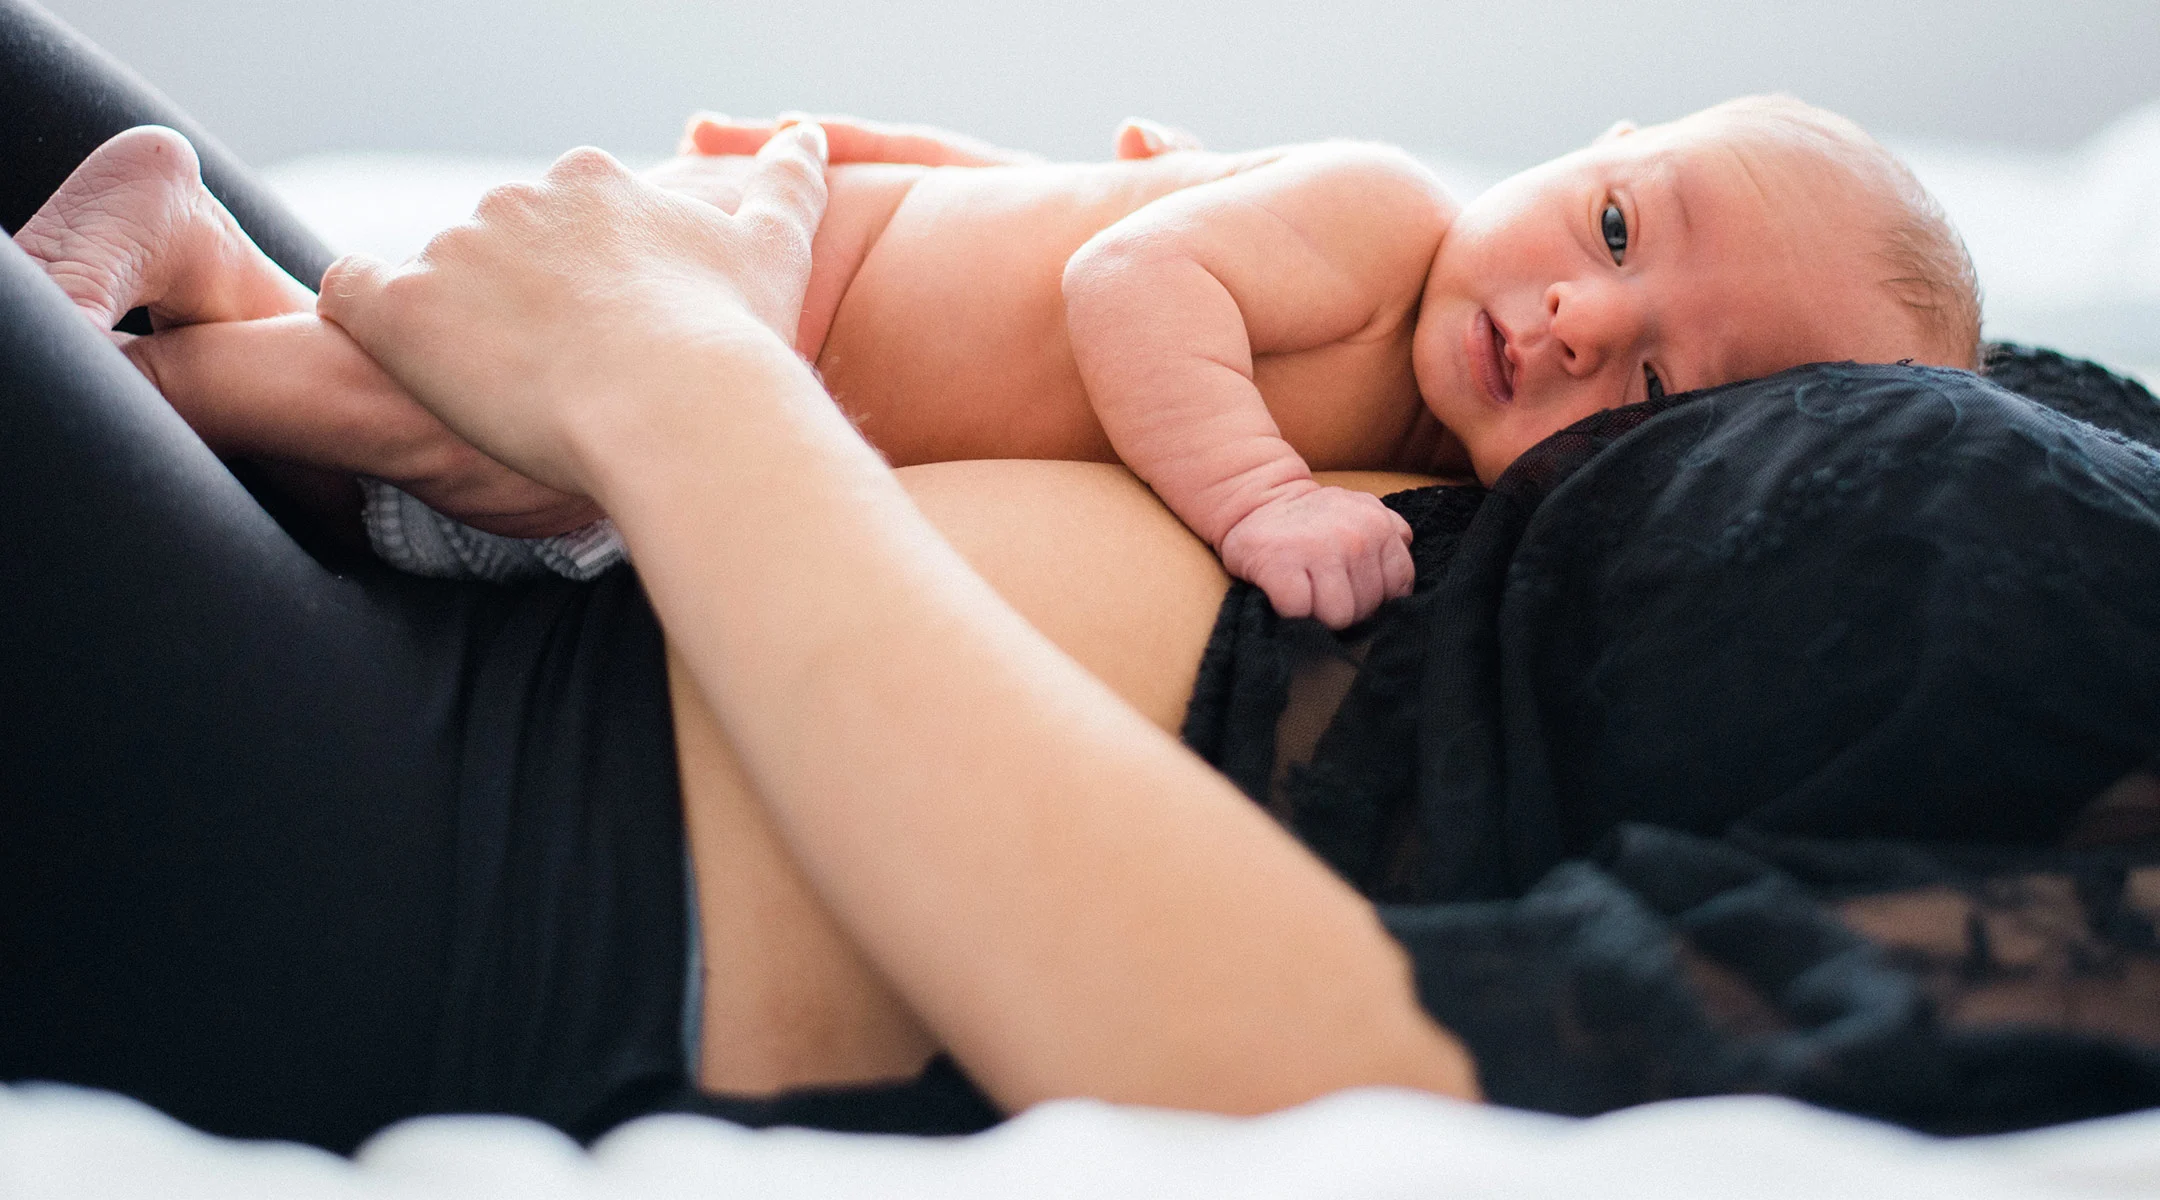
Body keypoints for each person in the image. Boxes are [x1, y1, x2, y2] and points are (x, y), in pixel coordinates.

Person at [13, 91, 1977, 626]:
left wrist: (917, 161)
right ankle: (133, 374)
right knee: (470, 435)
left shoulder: (1433, 431)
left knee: (414, 448)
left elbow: (1053, 192)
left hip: (796, 327)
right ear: (1594, 149)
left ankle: (196, 267)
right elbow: (1128, 284)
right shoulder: (1384, 218)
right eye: (1620, 232)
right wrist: (1255, 495)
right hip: (776, 296)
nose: (1576, 322)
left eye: (1650, 392)